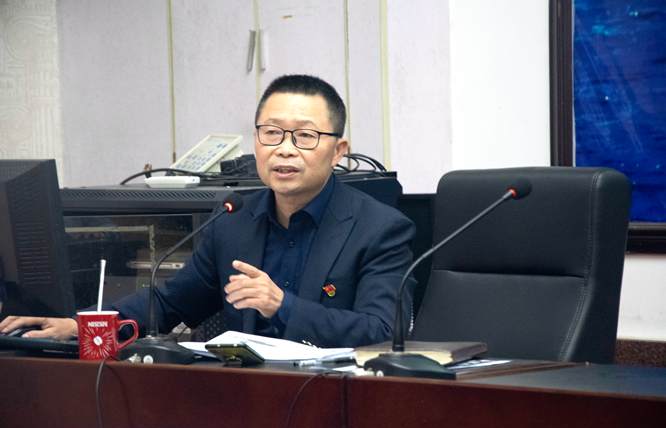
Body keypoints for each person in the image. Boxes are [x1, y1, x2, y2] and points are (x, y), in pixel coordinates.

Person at [0, 74, 415, 348]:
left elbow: (383, 331)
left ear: (338, 150)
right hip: (242, 394)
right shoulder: (233, 220)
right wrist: (83, 326)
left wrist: (281, 305)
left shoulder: (379, 229)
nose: (285, 149)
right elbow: (168, 304)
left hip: (334, 397)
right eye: (271, 133)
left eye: (305, 136)